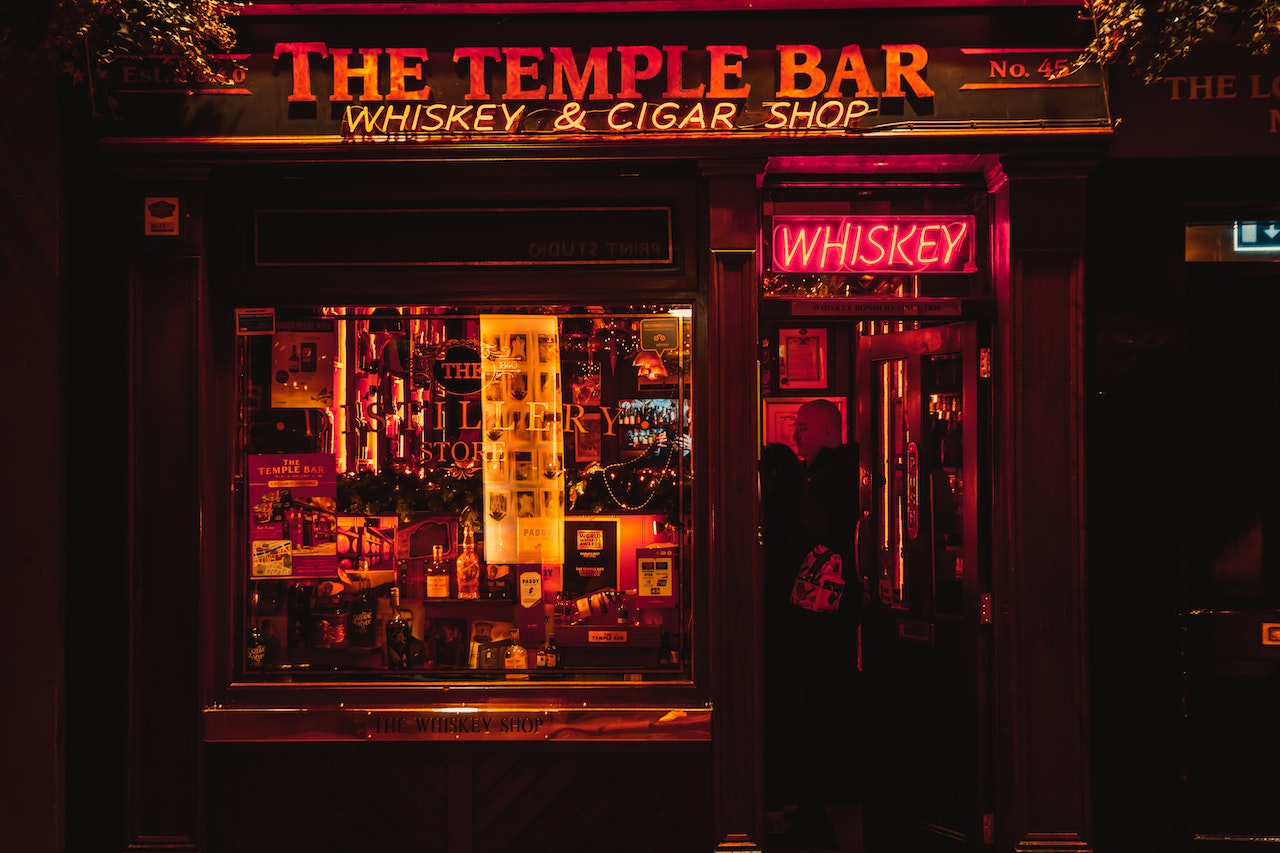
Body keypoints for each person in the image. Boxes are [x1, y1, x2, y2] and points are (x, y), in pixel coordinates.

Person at [791, 398, 865, 845]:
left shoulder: (825, 480)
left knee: (825, 700)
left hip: (827, 611)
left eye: (802, 427)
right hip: (845, 609)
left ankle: (829, 787)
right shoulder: (849, 470)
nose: (795, 434)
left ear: (825, 430)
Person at [759, 442, 824, 836]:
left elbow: (770, 574)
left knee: (775, 710)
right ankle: (798, 795)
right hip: (807, 624)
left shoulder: (775, 517)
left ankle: (778, 800)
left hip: (777, 623)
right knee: (795, 709)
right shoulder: (809, 510)